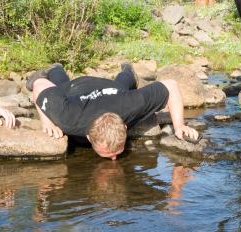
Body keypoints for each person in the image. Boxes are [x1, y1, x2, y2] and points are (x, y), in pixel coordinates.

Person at [28, 63, 199, 160]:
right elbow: (39, 84)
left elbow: (171, 86)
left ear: (124, 126)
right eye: (108, 154)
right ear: (89, 137)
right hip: (75, 90)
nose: (114, 159)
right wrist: (47, 121)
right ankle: (55, 69)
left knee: (122, 85)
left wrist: (179, 126)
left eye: (118, 151)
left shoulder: (131, 105)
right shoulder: (68, 116)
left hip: (112, 90)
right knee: (61, 86)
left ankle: (128, 70)